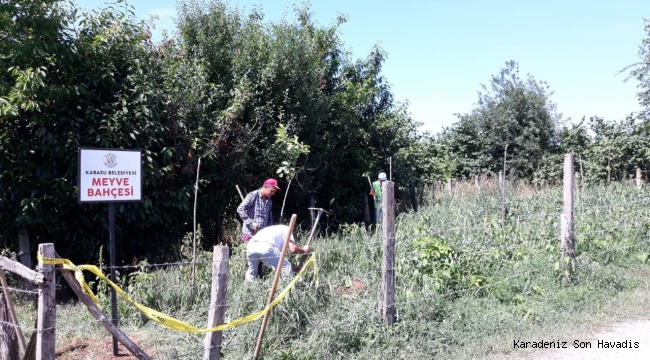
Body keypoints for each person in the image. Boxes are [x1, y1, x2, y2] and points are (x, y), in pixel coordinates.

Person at [245, 225, 311, 281]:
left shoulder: (274, 230)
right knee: (286, 267)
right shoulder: (288, 229)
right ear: (293, 228)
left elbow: (275, 266)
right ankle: (288, 292)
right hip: (266, 246)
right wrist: (304, 251)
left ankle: (248, 292)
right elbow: (293, 249)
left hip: (251, 246)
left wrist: (292, 268)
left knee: (251, 273)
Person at [237, 179, 280, 243]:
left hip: (261, 236)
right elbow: (240, 209)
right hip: (248, 234)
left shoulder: (269, 201)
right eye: (272, 191)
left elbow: (269, 219)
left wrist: (270, 232)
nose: (273, 193)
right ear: (265, 187)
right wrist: (250, 223)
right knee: (246, 251)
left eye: (274, 192)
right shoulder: (253, 195)